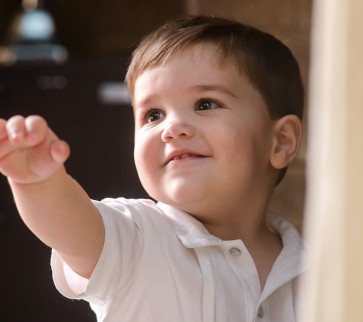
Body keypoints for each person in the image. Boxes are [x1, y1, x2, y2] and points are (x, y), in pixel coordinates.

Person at [0, 15, 305, 322]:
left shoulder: (317, 268)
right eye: (153, 115)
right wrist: (38, 182)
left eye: (205, 104)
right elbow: (69, 226)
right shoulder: (137, 236)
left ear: (280, 142)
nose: (171, 128)